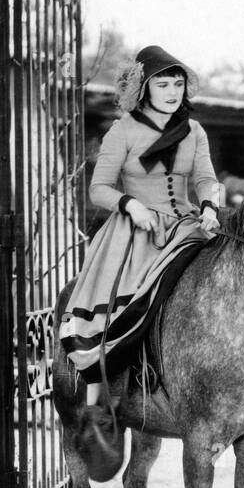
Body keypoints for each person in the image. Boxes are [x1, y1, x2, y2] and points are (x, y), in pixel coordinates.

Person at [59, 45, 223, 466]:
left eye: (178, 83)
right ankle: (99, 402)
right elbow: (100, 188)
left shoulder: (195, 131)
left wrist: (208, 205)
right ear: (144, 88)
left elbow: (205, 178)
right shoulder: (124, 131)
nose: (171, 91)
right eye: (162, 84)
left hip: (185, 227)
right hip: (133, 236)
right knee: (122, 311)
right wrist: (131, 205)